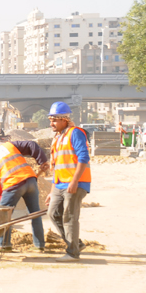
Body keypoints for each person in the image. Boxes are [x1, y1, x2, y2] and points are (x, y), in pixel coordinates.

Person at [0, 133, 50, 251]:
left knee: (4, 216)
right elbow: (31, 144)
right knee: (35, 214)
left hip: (13, 185)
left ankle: (4, 245)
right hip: (31, 181)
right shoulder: (9, 146)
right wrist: (42, 161)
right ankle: (39, 245)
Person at [44, 101, 91, 262]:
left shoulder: (75, 133)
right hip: (60, 183)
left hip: (75, 183)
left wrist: (74, 181)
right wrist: (52, 191)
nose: (52, 123)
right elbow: (57, 166)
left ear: (64, 119)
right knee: (52, 213)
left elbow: (83, 158)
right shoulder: (58, 138)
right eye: (51, 120)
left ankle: (73, 253)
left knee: (69, 217)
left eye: (55, 120)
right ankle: (75, 243)